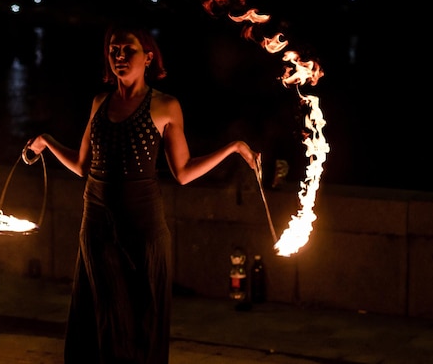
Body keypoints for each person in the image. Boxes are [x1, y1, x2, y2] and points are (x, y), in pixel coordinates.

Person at [25, 20, 259, 364]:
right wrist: (46, 142)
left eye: (128, 50)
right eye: (113, 51)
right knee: (100, 316)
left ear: (148, 57)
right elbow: (82, 166)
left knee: (138, 318)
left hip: (141, 226)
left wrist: (234, 148)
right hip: (97, 224)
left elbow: (182, 172)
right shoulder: (99, 103)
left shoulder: (165, 105)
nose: (119, 56)